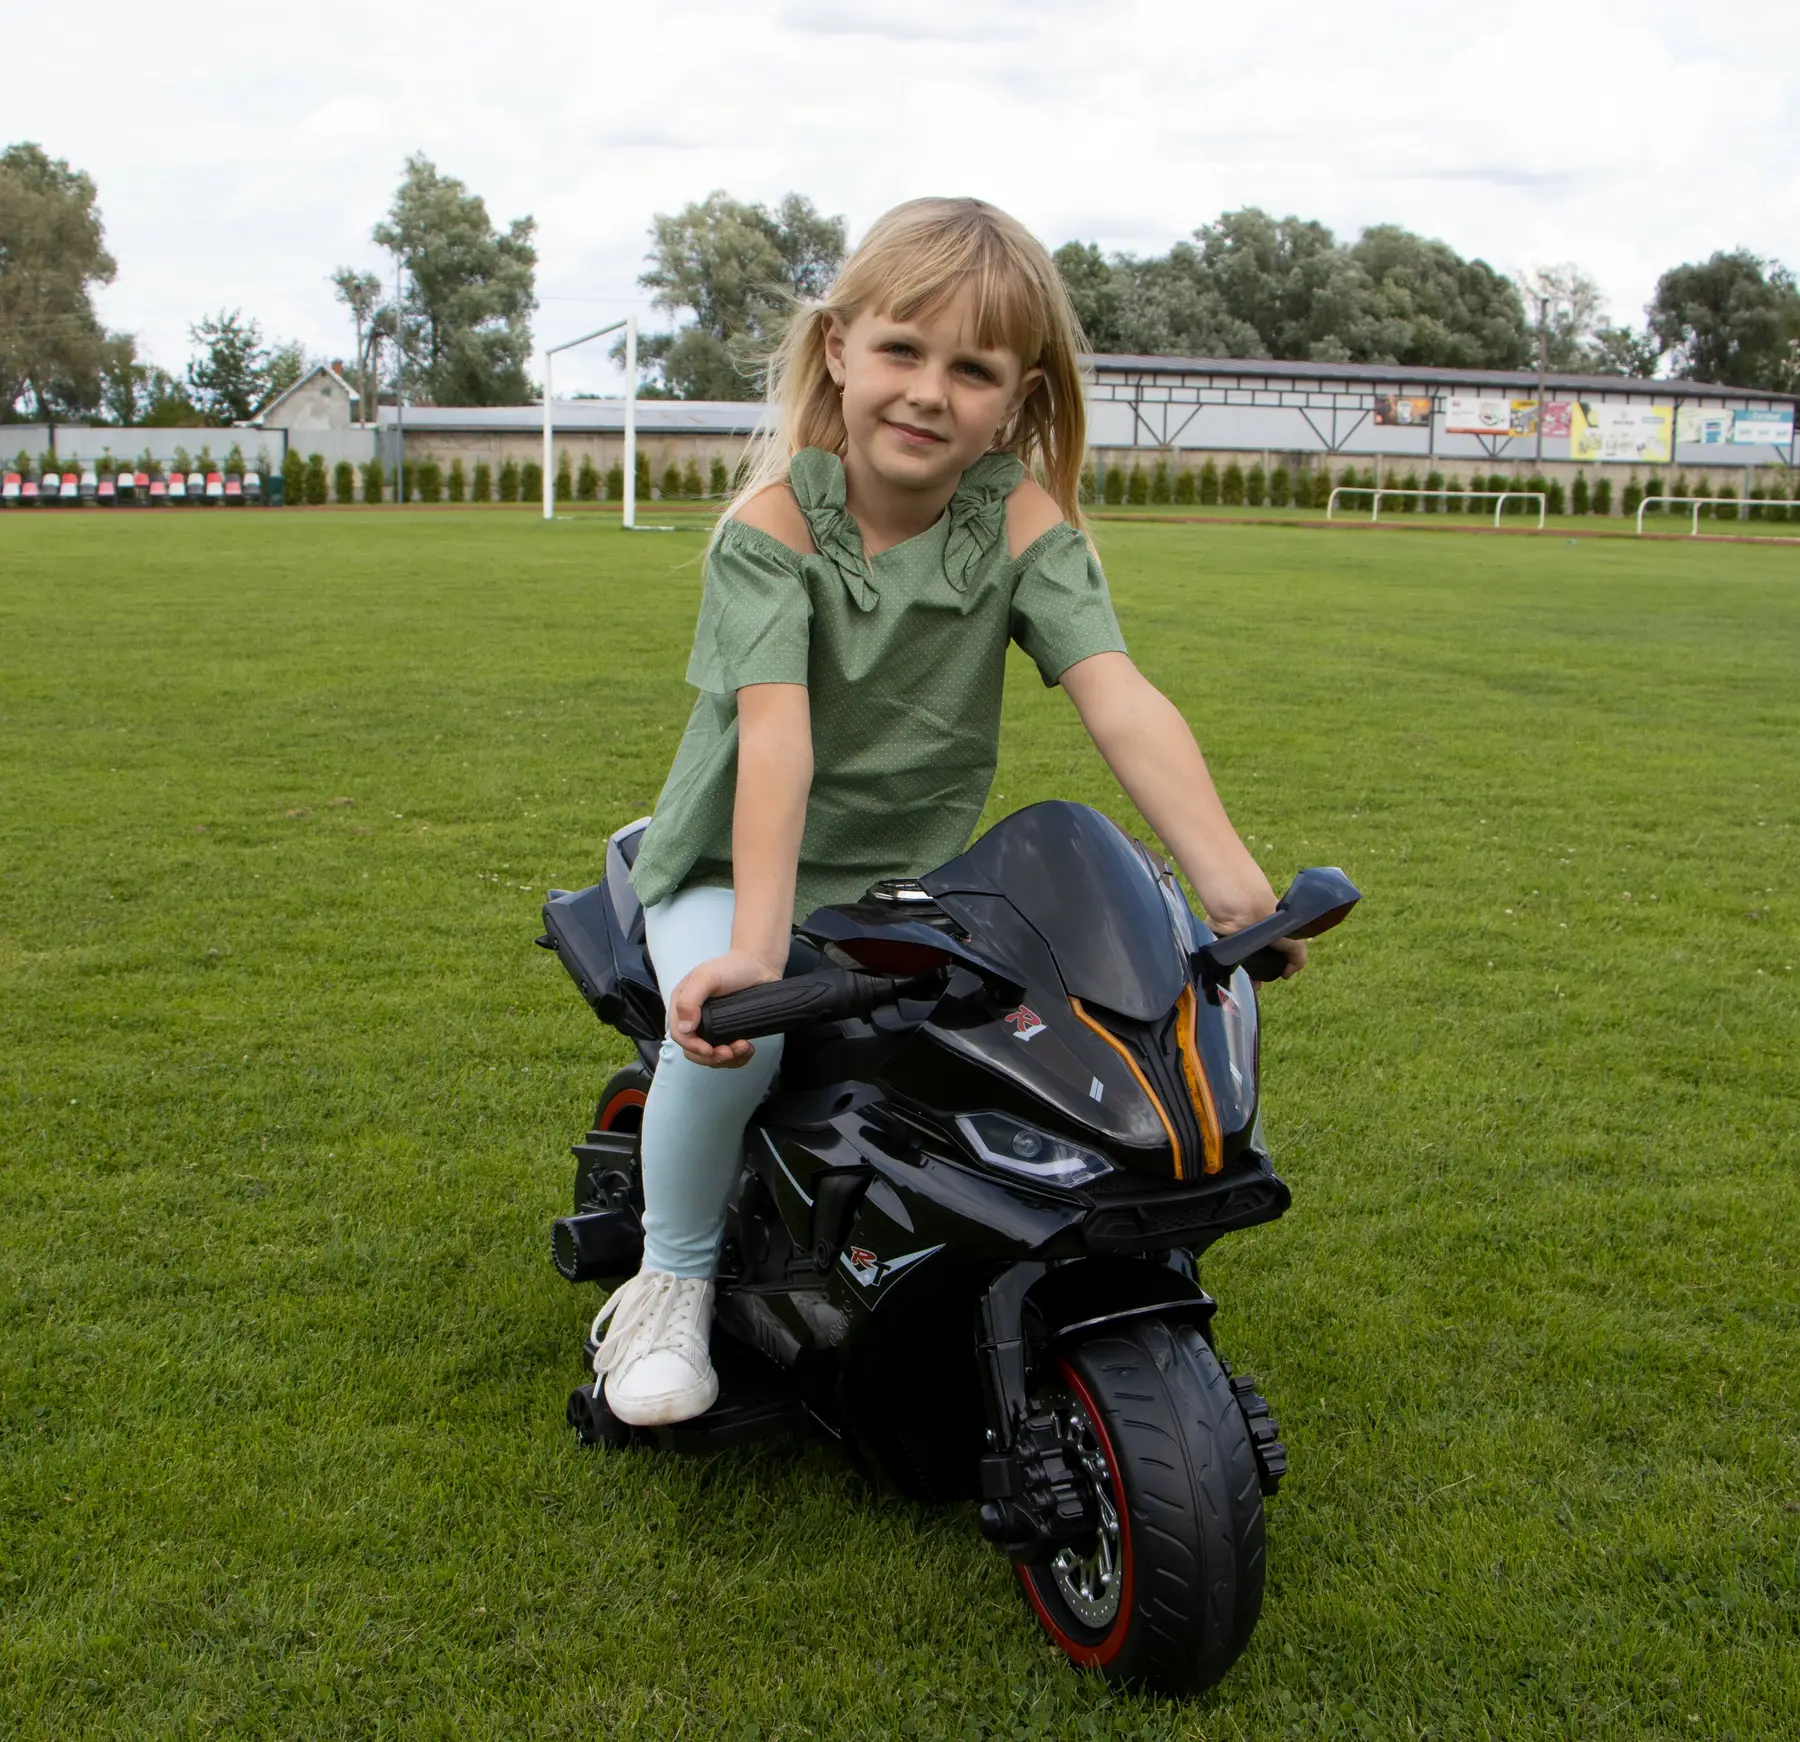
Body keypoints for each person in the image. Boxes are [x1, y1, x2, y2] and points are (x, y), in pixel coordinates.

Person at [591, 197, 1304, 1427]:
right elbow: (778, 738)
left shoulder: (1019, 521)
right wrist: (755, 951)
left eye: (972, 368)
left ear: (1018, 397)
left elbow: (1118, 697)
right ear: (839, 351)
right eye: (902, 351)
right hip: (734, 867)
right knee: (744, 1042)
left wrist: (1237, 891)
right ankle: (670, 1280)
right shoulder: (771, 532)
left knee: (1022, 1028)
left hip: (911, 875)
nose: (929, 392)